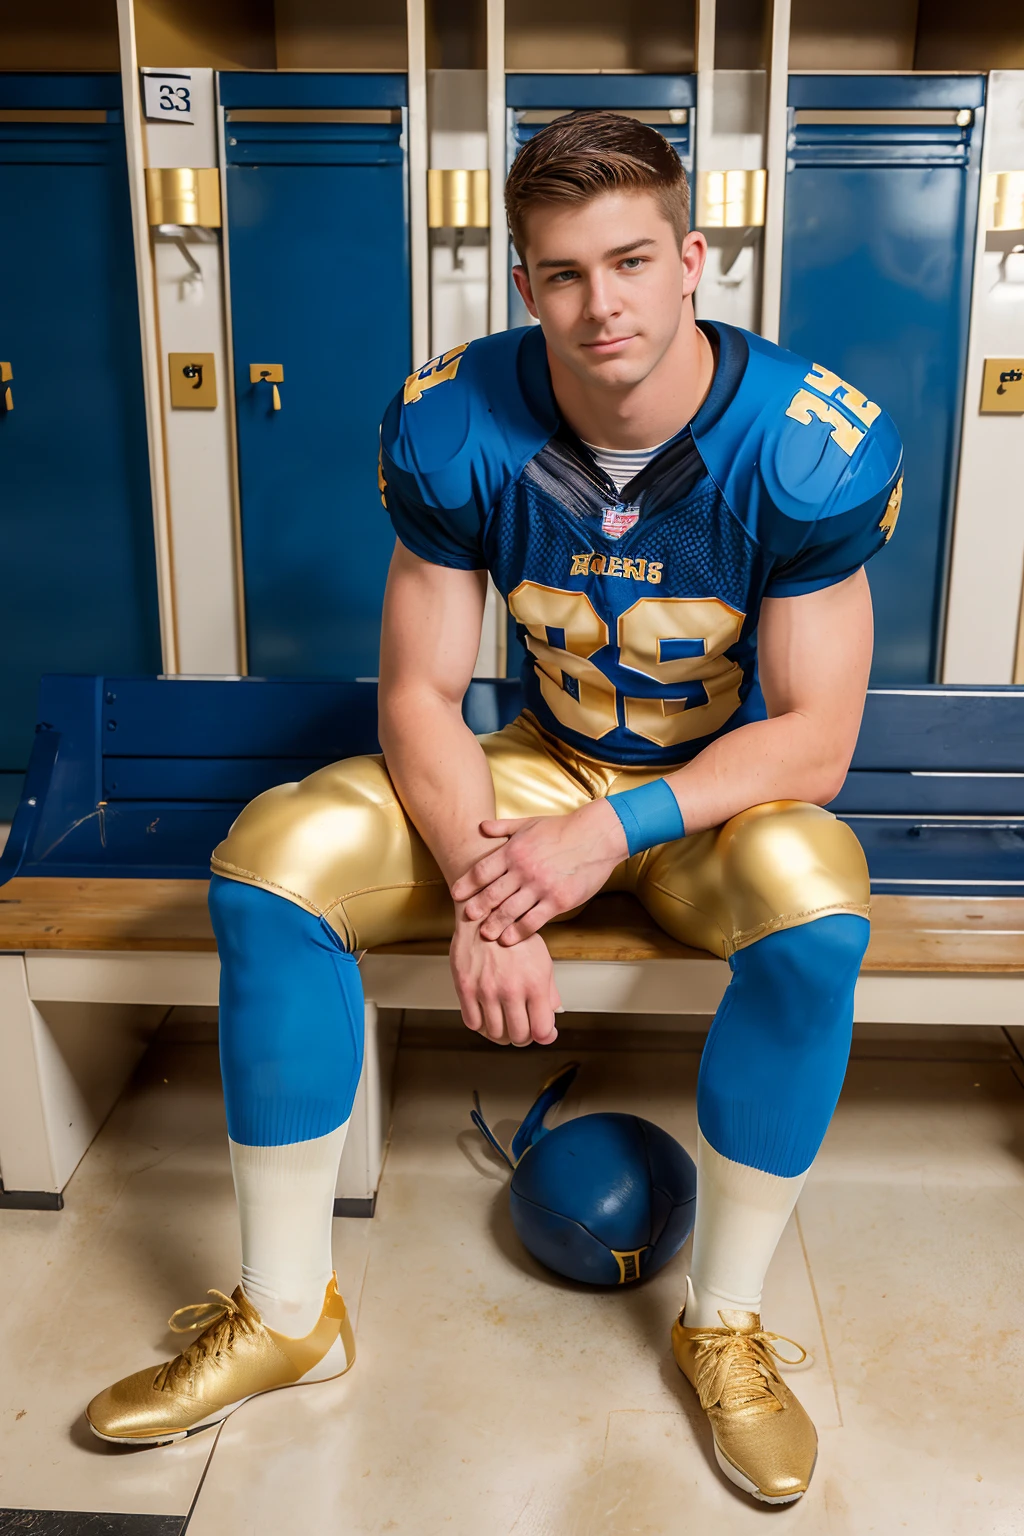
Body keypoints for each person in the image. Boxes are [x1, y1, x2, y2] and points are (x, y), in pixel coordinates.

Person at [86, 110, 902, 1505]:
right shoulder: (456, 415)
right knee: (271, 866)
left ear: (693, 257)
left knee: (822, 916)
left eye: (633, 260)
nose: (605, 304)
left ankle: (722, 1325)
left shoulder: (805, 438)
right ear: (523, 284)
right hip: (533, 765)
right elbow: (417, 693)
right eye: (566, 273)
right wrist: (486, 877)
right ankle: (288, 1316)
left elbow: (816, 741)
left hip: (708, 798)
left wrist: (608, 836)